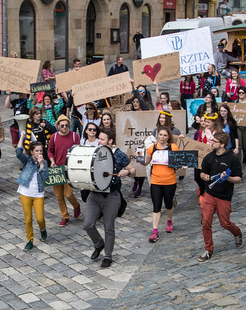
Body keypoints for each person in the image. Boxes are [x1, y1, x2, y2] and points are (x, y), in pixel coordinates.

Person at [84, 128, 133, 268]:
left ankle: (108, 255)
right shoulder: (95, 153)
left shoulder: (119, 155)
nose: (99, 141)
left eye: (102, 139)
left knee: (108, 227)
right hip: (94, 194)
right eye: (99, 138)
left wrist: (127, 172)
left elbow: (133, 170)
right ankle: (99, 244)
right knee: (88, 224)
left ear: (110, 141)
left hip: (112, 195)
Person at [198, 131, 244, 262]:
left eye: (214, 141)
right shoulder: (209, 157)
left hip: (224, 196)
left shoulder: (232, 159)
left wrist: (228, 178)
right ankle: (208, 249)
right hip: (209, 194)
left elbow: (238, 179)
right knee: (206, 221)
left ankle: (237, 232)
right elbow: (202, 173)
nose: (211, 143)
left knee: (225, 223)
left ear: (222, 144)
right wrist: (204, 176)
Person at [144, 127, 179, 243]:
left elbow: (178, 162)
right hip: (156, 181)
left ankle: (169, 220)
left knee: (168, 205)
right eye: (161, 135)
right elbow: (146, 162)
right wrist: (139, 157)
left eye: (165, 135)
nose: (162, 137)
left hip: (169, 181)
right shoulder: (152, 148)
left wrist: (181, 165)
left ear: (168, 137)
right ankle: (155, 231)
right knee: (156, 206)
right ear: (157, 136)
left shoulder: (173, 147)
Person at [48, 115, 83, 227]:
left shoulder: (74, 136)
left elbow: (78, 152)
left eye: (66, 125)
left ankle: (76, 205)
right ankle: (65, 216)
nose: (64, 127)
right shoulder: (53, 137)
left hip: (69, 169)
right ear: (58, 126)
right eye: (62, 125)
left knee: (68, 193)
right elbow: (50, 151)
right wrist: (52, 161)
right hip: (57, 169)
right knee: (59, 196)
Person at [15, 139, 48, 251]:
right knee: (28, 219)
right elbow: (18, 153)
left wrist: (42, 164)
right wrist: (22, 137)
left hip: (38, 193)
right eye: (37, 150)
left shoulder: (44, 162)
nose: (39, 153)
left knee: (40, 218)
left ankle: (43, 229)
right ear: (32, 152)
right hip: (25, 193)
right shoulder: (27, 160)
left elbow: (45, 178)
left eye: (41, 150)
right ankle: (30, 240)